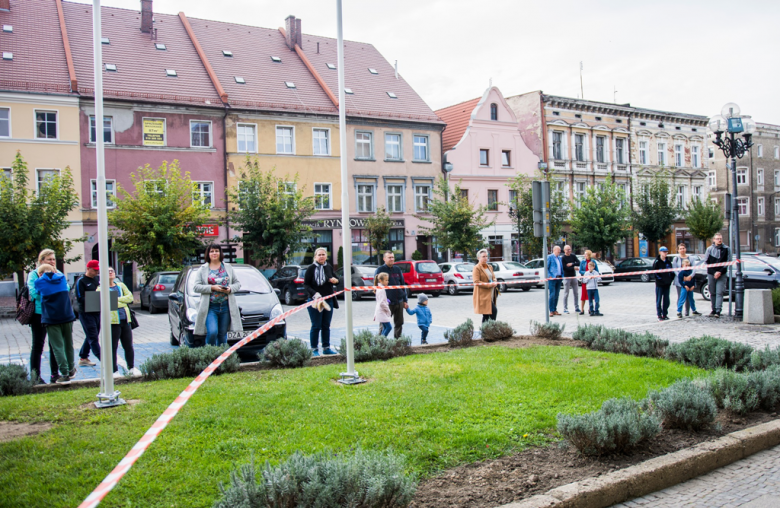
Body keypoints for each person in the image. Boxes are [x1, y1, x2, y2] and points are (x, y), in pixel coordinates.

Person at [33, 264, 77, 384]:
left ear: (40, 274)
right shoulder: (62, 278)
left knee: (57, 347)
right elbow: (66, 287)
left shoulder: (39, 282)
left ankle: (64, 373)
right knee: (69, 344)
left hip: (51, 318)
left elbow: (36, 294)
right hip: (67, 316)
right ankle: (71, 369)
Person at [193, 243, 243, 346]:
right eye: (212, 251)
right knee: (212, 332)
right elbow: (196, 287)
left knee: (222, 335)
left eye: (216, 251)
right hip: (210, 307)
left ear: (220, 253)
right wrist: (212, 288)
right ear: (208, 254)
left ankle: (222, 358)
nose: (214, 253)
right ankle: (211, 355)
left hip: (225, 307)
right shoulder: (203, 269)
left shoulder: (228, 267)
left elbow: (237, 283)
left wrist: (230, 289)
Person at [26, 249, 60, 383]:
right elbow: (34, 293)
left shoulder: (58, 273)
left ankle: (55, 374)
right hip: (39, 314)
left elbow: (66, 289)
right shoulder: (33, 274)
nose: (52, 262)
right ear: (41, 261)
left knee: (55, 345)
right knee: (37, 345)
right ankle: (35, 376)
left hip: (55, 314)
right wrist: (52, 292)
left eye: (53, 259)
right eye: (49, 259)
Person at [98, 267, 138, 377]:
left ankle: (131, 368)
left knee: (128, 346)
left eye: (112, 271)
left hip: (125, 320)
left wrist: (114, 300)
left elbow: (129, 298)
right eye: (108, 271)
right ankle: (114, 370)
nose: (111, 272)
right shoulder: (100, 288)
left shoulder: (121, 285)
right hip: (112, 322)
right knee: (112, 347)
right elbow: (104, 303)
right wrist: (121, 301)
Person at [303, 247, 339, 356]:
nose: (322, 256)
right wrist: (314, 294)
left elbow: (337, 280)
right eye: (319, 255)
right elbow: (306, 284)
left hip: (328, 300)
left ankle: (326, 348)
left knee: (326, 325)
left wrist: (335, 280)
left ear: (326, 256)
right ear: (315, 256)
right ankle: (314, 349)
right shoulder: (311, 268)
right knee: (316, 325)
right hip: (315, 301)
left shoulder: (328, 267)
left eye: (323, 254)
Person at [375, 252, 408, 338]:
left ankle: (398, 342)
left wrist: (405, 300)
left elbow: (402, 285)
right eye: (389, 257)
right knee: (384, 325)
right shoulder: (380, 270)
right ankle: (381, 343)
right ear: (384, 259)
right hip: (387, 302)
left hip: (399, 301)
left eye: (393, 257)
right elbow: (376, 285)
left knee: (399, 323)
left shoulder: (397, 269)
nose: (392, 259)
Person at [76, 260, 101, 367]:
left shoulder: (97, 279)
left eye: (98, 270)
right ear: (88, 269)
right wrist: (94, 298)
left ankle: (83, 356)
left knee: (92, 335)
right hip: (86, 312)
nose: (97, 272)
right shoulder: (81, 281)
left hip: (97, 310)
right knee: (93, 336)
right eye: (95, 270)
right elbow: (79, 297)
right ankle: (104, 359)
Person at [704, 233, 729, 318]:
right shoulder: (709, 249)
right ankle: (713, 309)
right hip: (711, 273)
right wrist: (714, 272)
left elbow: (728, 262)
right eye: (717, 238)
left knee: (719, 292)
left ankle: (718, 310)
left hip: (722, 273)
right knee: (712, 292)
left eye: (720, 238)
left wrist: (719, 272)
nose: (719, 240)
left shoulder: (726, 249)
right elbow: (706, 262)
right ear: (714, 240)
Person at [472, 249, 498, 323]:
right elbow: (476, 281)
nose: (485, 258)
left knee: (487, 314)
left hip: (491, 293)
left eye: (486, 256)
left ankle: (486, 331)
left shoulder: (489, 267)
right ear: (478, 258)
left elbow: (493, 277)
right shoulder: (476, 268)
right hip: (483, 295)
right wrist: (489, 285)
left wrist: (495, 281)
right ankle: (489, 329)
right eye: (483, 256)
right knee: (493, 311)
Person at [653, 246, 675, 321]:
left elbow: (672, 272)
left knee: (666, 300)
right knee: (659, 300)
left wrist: (670, 280)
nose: (665, 253)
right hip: (660, 284)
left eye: (666, 252)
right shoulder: (657, 262)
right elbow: (655, 274)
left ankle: (665, 314)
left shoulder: (668, 262)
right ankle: (659, 314)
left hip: (667, 284)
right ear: (660, 252)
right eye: (664, 252)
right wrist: (661, 280)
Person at [672, 243, 692, 317]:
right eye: (680, 249)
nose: (682, 250)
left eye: (683, 248)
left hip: (689, 280)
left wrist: (690, 276)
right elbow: (675, 269)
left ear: (685, 249)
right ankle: (679, 311)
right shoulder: (676, 259)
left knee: (688, 296)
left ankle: (687, 312)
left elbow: (693, 269)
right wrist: (681, 277)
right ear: (678, 250)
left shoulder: (690, 258)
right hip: (679, 281)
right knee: (680, 296)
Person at [560, 245, 580, 314]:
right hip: (567, 277)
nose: (569, 251)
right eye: (568, 250)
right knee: (566, 293)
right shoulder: (563, 258)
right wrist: (573, 268)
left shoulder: (573, 256)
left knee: (576, 293)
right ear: (564, 250)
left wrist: (572, 264)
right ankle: (565, 308)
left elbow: (578, 262)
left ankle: (576, 307)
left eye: (570, 249)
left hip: (573, 276)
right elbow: (565, 268)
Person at [578, 250, 599, 316]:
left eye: (586, 254)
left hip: (592, 281)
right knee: (583, 295)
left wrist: (593, 274)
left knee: (591, 296)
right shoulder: (582, 262)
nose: (585, 255)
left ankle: (591, 309)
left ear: (589, 255)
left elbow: (597, 270)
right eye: (584, 254)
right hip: (585, 280)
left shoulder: (593, 261)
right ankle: (582, 309)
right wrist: (586, 274)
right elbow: (580, 271)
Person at [374, 272, 393, 337]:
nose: (387, 282)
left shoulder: (379, 288)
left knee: (385, 327)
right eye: (386, 280)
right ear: (380, 280)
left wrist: (386, 302)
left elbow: (381, 301)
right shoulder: (381, 289)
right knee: (388, 327)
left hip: (380, 311)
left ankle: (381, 341)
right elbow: (382, 303)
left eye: (387, 280)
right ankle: (382, 341)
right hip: (382, 312)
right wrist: (388, 310)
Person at [547, 245, 563, 317]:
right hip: (552, 278)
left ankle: (555, 309)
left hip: (559, 278)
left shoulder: (559, 258)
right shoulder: (550, 257)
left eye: (560, 250)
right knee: (552, 294)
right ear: (554, 250)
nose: (559, 251)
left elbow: (561, 267)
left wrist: (562, 274)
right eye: (558, 250)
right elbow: (546, 267)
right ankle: (551, 310)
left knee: (557, 295)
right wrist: (549, 275)